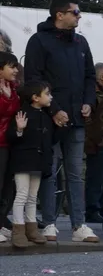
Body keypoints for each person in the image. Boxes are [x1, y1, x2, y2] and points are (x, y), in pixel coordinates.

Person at [23, 0, 100, 243]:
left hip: (76, 119)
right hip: (48, 120)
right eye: (75, 12)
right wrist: (54, 109)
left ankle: (79, 225)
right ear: (60, 14)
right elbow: (33, 78)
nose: (79, 16)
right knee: (49, 172)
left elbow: (90, 76)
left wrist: (88, 102)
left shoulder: (81, 42)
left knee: (76, 173)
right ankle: (49, 223)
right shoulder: (38, 41)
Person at [6, 81, 55, 248]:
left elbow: (49, 141)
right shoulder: (22, 113)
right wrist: (19, 130)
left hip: (38, 162)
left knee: (33, 196)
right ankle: (18, 230)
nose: (51, 97)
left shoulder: (46, 116)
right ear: (35, 97)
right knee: (22, 195)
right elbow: (11, 137)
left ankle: (31, 228)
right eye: (47, 94)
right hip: (23, 160)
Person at [84, 63, 103, 223]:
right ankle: (92, 210)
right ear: (102, 77)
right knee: (96, 177)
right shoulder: (94, 96)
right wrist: (99, 138)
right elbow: (90, 121)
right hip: (96, 143)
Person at [0, 51, 20, 244]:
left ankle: (1, 221)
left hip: (9, 141)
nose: (15, 71)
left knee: (9, 185)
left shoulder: (13, 87)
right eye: (11, 67)